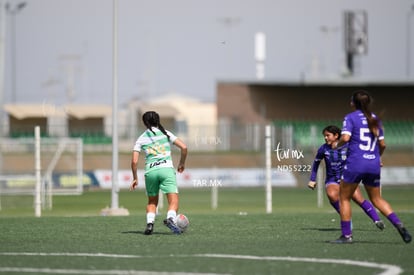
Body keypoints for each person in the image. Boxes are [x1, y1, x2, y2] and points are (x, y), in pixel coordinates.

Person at [331, 90, 412, 244]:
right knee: (377, 199)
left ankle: (346, 236)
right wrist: (377, 157)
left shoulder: (350, 117)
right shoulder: (374, 119)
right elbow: (383, 144)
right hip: (373, 163)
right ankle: (399, 225)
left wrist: (336, 145)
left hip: (356, 162)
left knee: (344, 197)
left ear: (353, 103)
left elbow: (346, 138)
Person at [308, 125, 384, 230]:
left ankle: (377, 220)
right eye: (324, 136)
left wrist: (374, 160)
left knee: (359, 199)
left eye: (327, 135)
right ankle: (347, 219)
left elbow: (363, 154)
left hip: (348, 178)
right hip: (332, 180)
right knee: (331, 195)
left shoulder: (348, 146)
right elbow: (316, 163)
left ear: (336, 135)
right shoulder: (323, 148)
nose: (325, 138)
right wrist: (312, 179)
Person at [130, 111, 187, 235]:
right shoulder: (166, 133)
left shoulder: (141, 138)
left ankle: (150, 224)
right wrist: (181, 163)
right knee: (173, 201)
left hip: (151, 172)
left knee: (152, 202)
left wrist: (135, 178)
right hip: (166, 170)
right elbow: (184, 147)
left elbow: (134, 162)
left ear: (145, 122)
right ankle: (171, 219)